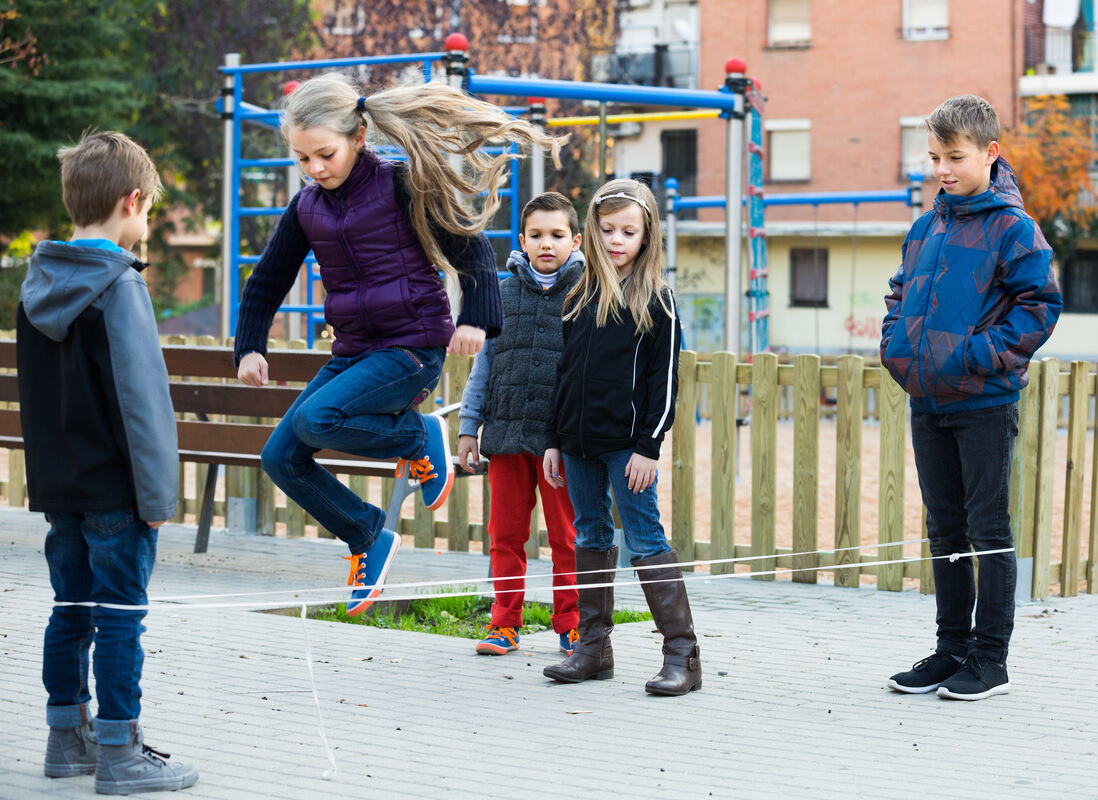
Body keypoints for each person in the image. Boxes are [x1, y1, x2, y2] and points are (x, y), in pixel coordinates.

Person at [235, 73, 563, 617]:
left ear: (358, 137)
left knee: (318, 420)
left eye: (325, 154)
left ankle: (418, 435)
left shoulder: (402, 184)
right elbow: (266, 282)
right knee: (281, 457)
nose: (316, 169)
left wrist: (476, 318)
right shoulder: (306, 209)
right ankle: (366, 534)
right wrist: (250, 346)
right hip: (355, 351)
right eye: (303, 159)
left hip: (413, 347)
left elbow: (472, 248)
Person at [17, 131, 199, 793]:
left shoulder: (36, 285)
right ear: (130, 201)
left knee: (71, 607)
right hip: (117, 494)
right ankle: (122, 753)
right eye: (147, 209)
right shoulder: (118, 286)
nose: (145, 221)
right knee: (121, 616)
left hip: (60, 488)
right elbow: (142, 406)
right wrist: (156, 501)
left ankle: (67, 739)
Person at [880, 95, 1061, 701]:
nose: (942, 170)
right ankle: (951, 649)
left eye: (954, 157)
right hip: (928, 402)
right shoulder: (926, 225)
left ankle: (990, 660)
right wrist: (897, 347)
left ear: (990, 153)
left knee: (989, 530)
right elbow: (900, 292)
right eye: (934, 156)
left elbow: (1040, 307)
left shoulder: (1015, 229)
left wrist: (974, 358)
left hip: (983, 404)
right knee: (944, 530)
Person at [541, 179, 702, 696]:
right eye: (607, 230)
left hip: (627, 449)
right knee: (588, 535)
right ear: (592, 230)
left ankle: (682, 655)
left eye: (628, 232)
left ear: (646, 235)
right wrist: (553, 438)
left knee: (645, 540)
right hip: (576, 445)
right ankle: (592, 648)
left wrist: (648, 448)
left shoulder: (658, 298)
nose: (616, 240)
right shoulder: (579, 293)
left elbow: (665, 383)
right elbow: (562, 373)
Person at [457, 192, 584, 656]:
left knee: (567, 537)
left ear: (575, 240)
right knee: (505, 535)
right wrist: (470, 427)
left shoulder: (587, 293)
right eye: (536, 235)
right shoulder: (501, 293)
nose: (546, 244)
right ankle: (504, 623)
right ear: (522, 240)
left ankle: (572, 624)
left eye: (556, 235)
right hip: (507, 436)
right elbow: (484, 367)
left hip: (563, 444)